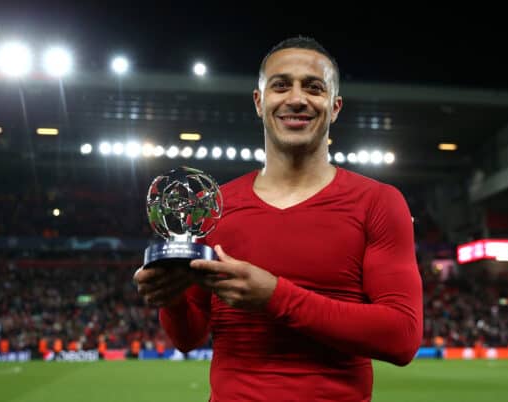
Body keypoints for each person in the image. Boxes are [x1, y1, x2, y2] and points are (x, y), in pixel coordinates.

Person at [133, 36, 423, 401]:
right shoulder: (214, 206)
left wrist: (275, 297)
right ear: (259, 101)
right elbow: (188, 337)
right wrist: (170, 297)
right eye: (280, 85)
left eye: (314, 88)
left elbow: (402, 337)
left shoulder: (379, 202)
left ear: (335, 107)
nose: (297, 99)